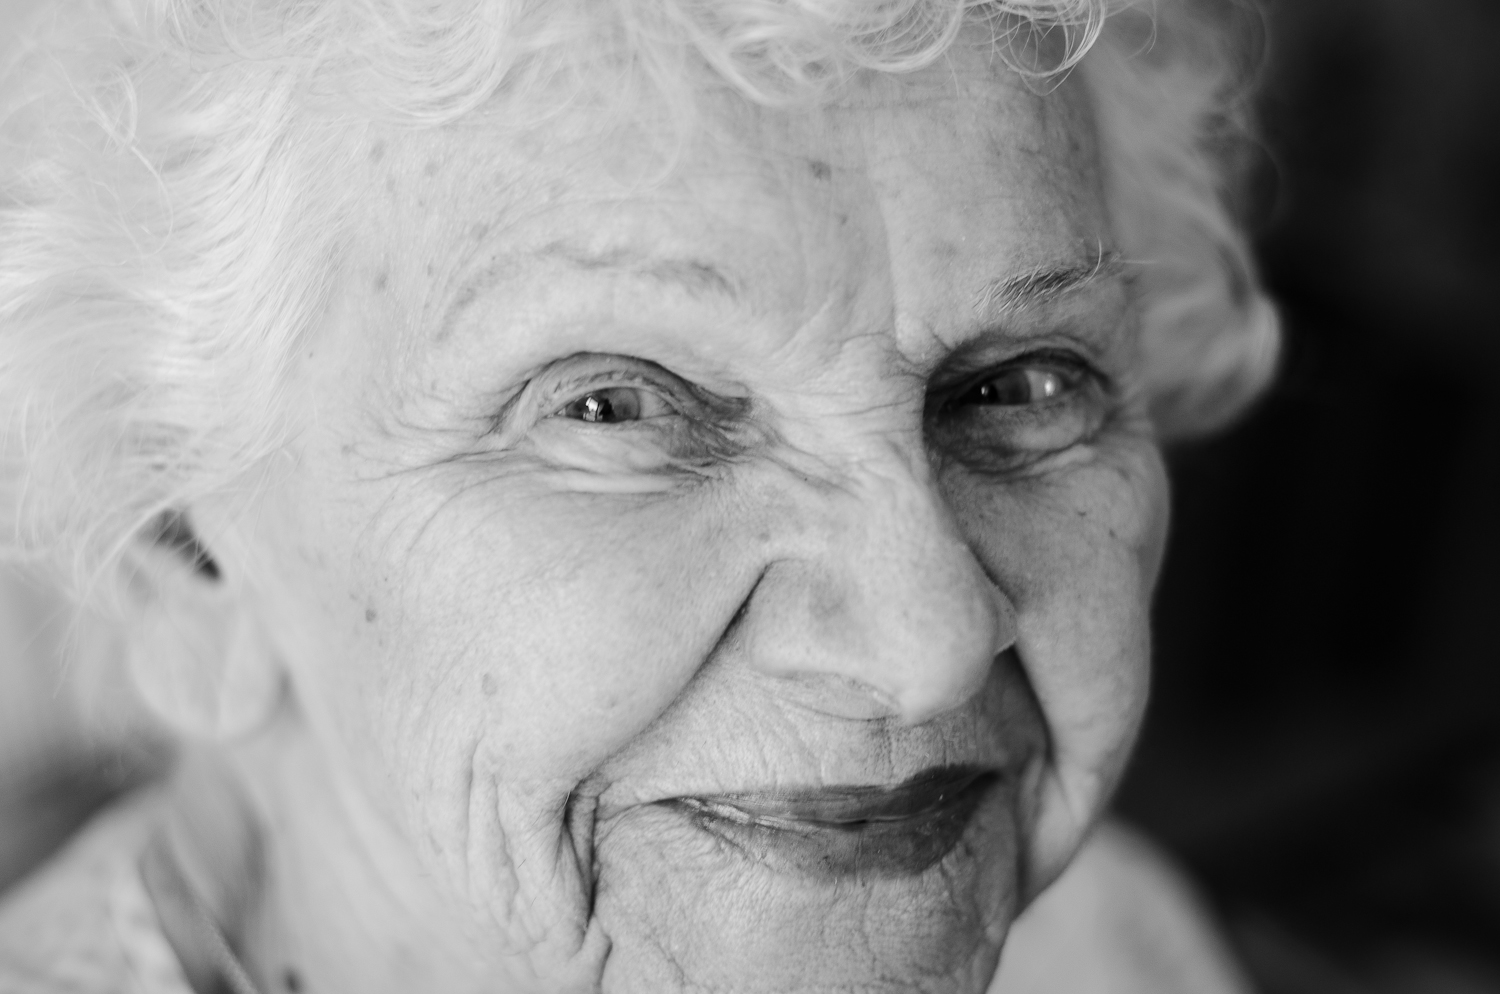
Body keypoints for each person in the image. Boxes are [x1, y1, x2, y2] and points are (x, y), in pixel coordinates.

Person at [0, 0, 1277, 990]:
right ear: (185, 561)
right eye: (613, 407)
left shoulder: (1106, 943)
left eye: (1019, 388)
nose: (930, 645)